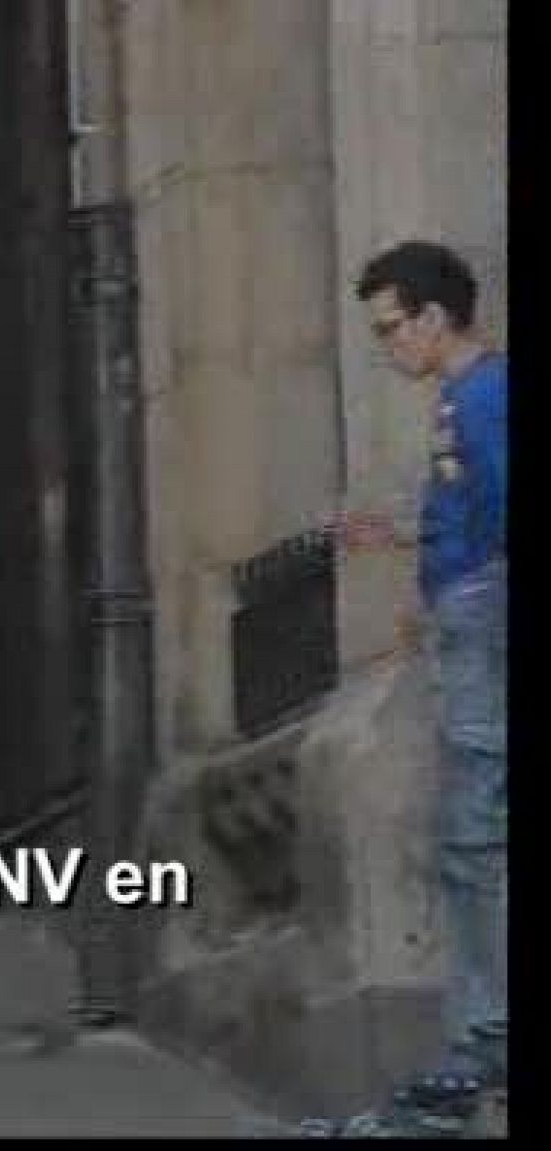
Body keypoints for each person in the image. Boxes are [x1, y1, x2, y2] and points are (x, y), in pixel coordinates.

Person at [329, 240, 507, 1133]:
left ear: (435, 318)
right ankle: (481, 1032)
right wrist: (408, 542)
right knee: (468, 833)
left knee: (475, 830)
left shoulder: (483, 396)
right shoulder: (462, 399)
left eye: (391, 326)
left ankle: (487, 1033)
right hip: (466, 612)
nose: (387, 346)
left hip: (483, 618)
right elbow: (470, 513)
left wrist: (463, 601)